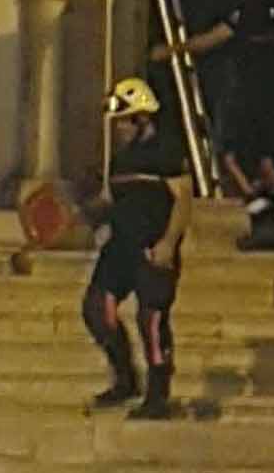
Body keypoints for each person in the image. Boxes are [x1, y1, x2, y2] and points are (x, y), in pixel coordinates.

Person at [152, 0, 274, 251]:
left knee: (229, 155)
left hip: (246, 93)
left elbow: (212, 39)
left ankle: (260, 215)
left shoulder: (249, 12)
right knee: (265, 157)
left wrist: (171, 50)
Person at [81, 77, 192, 421]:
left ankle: (158, 394)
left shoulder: (166, 152)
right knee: (98, 308)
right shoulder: (121, 159)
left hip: (152, 246)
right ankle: (125, 379)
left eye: (123, 122)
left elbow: (183, 199)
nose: (117, 130)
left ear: (141, 119)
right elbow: (111, 200)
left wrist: (168, 243)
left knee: (152, 319)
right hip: (121, 245)